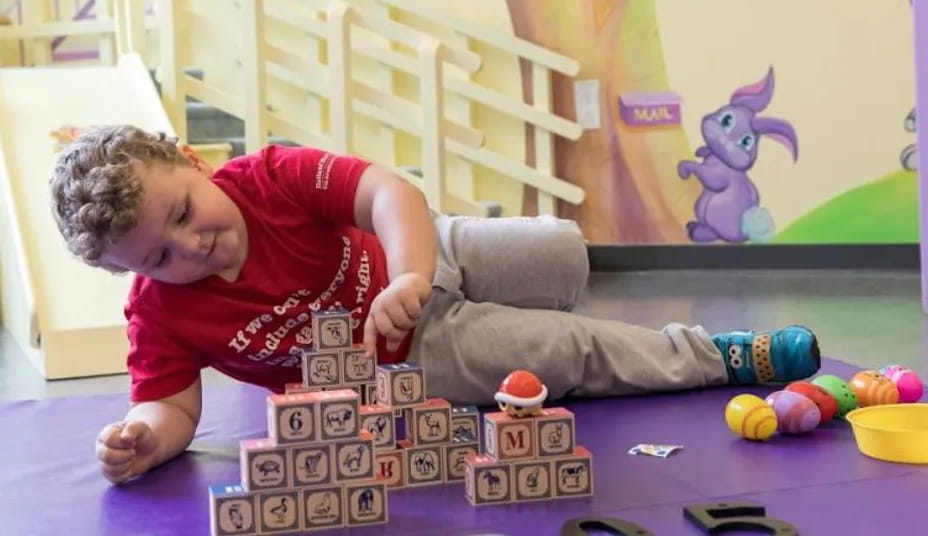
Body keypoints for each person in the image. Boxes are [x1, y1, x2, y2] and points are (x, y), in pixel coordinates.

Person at [49, 125, 820, 484]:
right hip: (408, 354)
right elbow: (170, 406)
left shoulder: (268, 176)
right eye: (157, 258)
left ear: (194, 162)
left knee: (561, 249)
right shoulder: (160, 314)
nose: (190, 247)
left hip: (427, 253)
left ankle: (517, 303)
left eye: (185, 213)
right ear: (128, 273)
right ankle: (716, 354)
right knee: (565, 351)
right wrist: (143, 441)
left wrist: (410, 274)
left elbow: (388, 192)